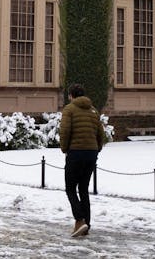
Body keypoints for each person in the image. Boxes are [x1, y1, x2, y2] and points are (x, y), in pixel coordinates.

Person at [59, 83, 105, 238]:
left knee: (70, 188)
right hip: (91, 154)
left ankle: (80, 220)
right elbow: (101, 134)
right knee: (83, 189)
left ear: (71, 95)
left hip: (76, 153)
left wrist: (65, 148)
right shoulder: (93, 111)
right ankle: (87, 224)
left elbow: (65, 131)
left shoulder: (69, 109)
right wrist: (96, 149)